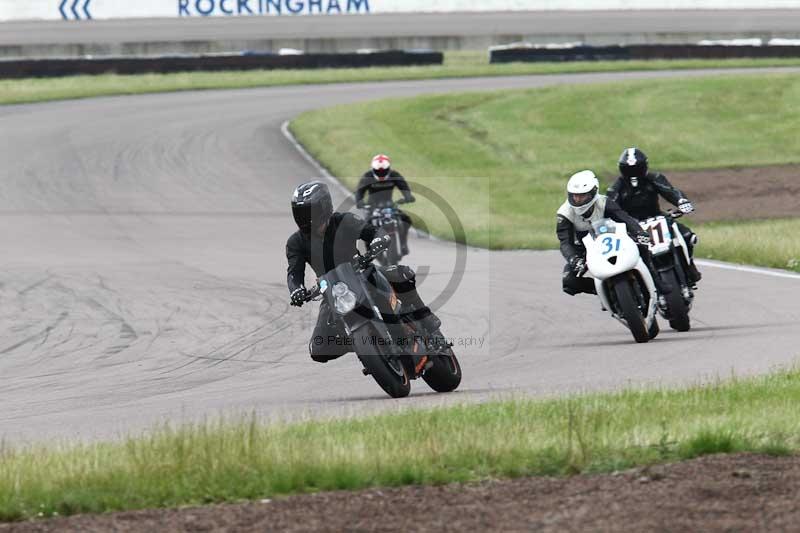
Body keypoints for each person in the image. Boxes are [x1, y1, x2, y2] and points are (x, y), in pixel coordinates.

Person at [287, 181, 439, 363]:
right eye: (300, 212)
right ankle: (367, 343)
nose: (305, 218)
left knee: (402, 274)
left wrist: (378, 241)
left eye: (309, 212)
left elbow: (373, 232)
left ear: (324, 206)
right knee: (318, 349)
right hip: (333, 292)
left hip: (362, 272)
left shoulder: (345, 221)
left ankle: (427, 321)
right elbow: (294, 272)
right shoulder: (295, 242)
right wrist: (296, 290)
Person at [557, 170, 664, 298]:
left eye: (582, 196)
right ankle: (606, 293)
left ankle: (657, 282)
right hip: (583, 248)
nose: (578, 199)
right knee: (569, 282)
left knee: (642, 246)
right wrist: (573, 259)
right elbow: (565, 242)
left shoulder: (604, 202)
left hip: (613, 238)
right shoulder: (564, 214)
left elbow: (625, 219)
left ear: (593, 193)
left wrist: (640, 233)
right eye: (574, 195)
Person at [607, 147, 701, 284]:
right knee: (624, 254)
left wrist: (681, 201)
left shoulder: (654, 178)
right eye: (629, 170)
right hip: (633, 227)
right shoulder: (616, 188)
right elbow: (611, 207)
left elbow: (669, 191)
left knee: (687, 236)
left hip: (658, 218)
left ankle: (689, 266)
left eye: (637, 169)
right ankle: (635, 285)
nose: (634, 173)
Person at [355, 154, 416, 256]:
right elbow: (359, 191)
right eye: (378, 171)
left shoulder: (394, 175)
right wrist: (359, 202)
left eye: (383, 171)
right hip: (372, 206)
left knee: (406, 219)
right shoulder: (367, 176)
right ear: (373, 169)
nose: (381, 173)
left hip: (390, 205)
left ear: (388, 169)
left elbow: (403, 186)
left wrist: (408, 196)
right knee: (365, 227)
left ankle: (403, 244)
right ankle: (369, 250)